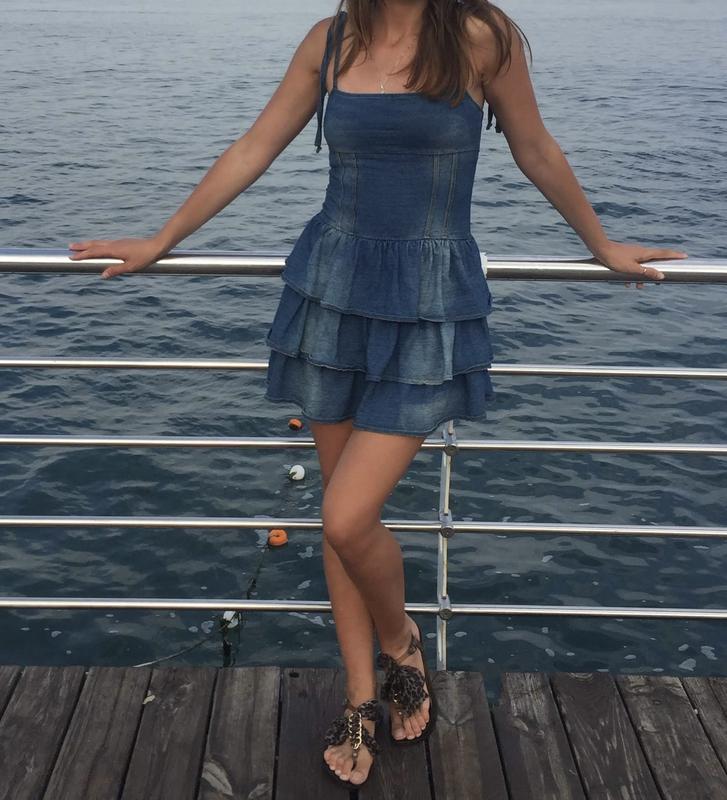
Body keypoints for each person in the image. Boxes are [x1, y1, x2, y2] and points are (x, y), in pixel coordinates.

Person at [67, 0, 688, 788]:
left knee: (346, 515)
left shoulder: (480, 37)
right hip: (332, 292)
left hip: (428, 297)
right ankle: (361, 697)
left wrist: (599, 243)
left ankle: (401, 645)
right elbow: (255, 145)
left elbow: (532, 145)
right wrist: (163, 237)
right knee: (340, 514)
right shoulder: (330, 41)